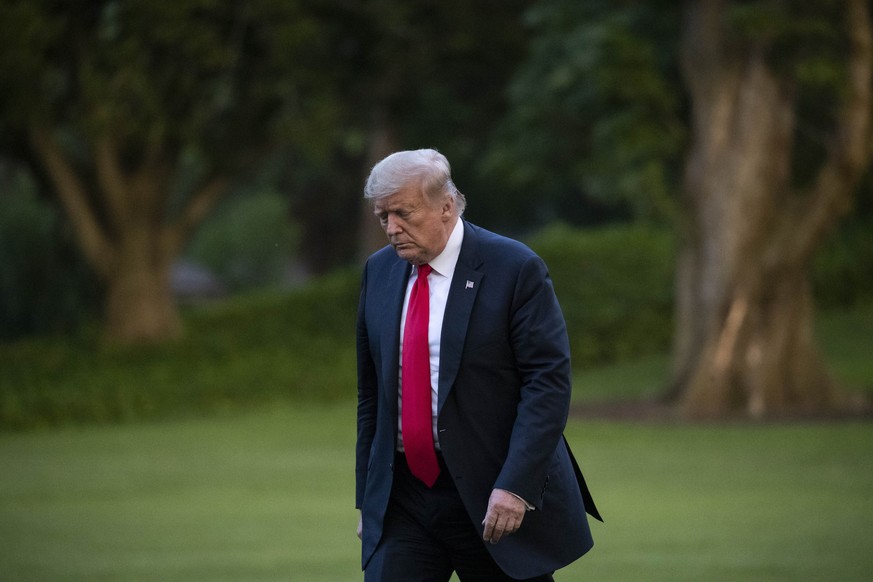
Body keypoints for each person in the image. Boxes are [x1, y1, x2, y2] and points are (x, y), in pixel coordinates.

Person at [355, 149, 601, 582]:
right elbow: (371, 395)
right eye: (383, 217)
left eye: (404, 213)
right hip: (405, 499)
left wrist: (516, 486)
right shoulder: (379, 272)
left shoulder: (513, 267)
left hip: (492, 495)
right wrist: (368, 500)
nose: (392, 229)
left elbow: (547, 384)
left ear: (447, 206)